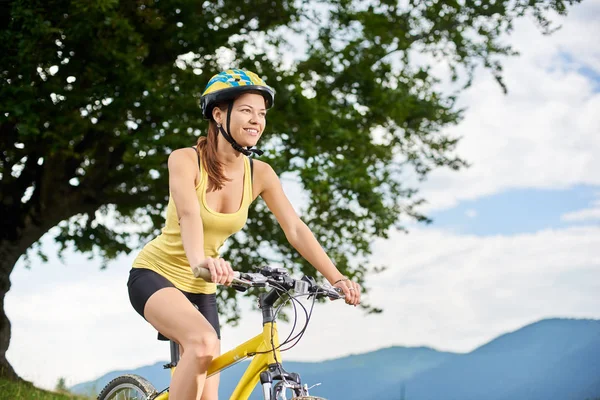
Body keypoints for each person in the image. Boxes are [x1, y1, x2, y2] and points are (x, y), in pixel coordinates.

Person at [126, 69, 361, 400]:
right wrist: (199, 262)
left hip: (203, 288)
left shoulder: (260, 174)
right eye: (247, 110)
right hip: (156, 275)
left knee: (209, 395)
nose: (257, 120)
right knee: (203, 343)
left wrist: (336, 277)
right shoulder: (185, 160)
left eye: (262, 113)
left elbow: (294, 228)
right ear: (219, 114)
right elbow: (189, 214)